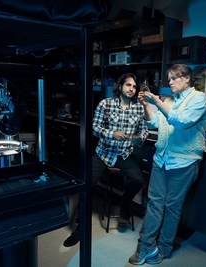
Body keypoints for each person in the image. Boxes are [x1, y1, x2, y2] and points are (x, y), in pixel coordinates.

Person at [128, 64, 206, 265]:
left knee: (172, 207)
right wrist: (148, 105)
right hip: (162, 160)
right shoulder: (170, 100)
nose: (170, 82)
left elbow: (180, 121)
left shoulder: (199, 99)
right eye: (169, 78)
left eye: (174, 78)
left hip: (184, 162)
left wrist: (156, 100)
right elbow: (154, 122)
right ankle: (145, 247)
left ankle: (164, 248)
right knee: (154, 204)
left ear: (187, 78)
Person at [63, 72, 149, 247]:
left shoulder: (139, 108)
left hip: (124, 154)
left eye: (134, 86)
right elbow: (94, 127)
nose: (131, 89)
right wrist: (112, 133)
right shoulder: (106, 104)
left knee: (138, 180)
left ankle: (125, 205)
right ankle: (80, 228)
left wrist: (138, 138)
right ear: (120, 86)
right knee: (85, 186)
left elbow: (144, 131)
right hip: (104, 153)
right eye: (128, 85)